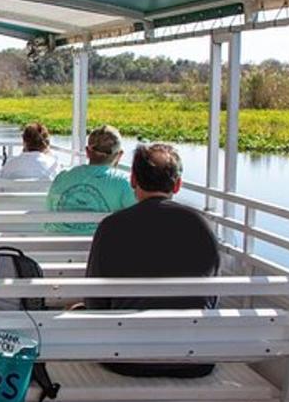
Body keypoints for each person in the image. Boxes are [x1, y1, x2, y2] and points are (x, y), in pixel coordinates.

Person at [84, 143, 220, 378]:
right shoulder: (202, 225)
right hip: (194, 359)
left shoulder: (113, 227)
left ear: (133, 180)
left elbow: (95, 300)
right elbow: (211, 296)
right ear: (177, 185)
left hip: (125, 359)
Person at [46, 125, 135, 233]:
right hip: (102, 248)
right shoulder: (124, 183)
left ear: (87, 151)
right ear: (119, 155)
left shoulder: (62, 177)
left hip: (56, 246)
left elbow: (49, 215)